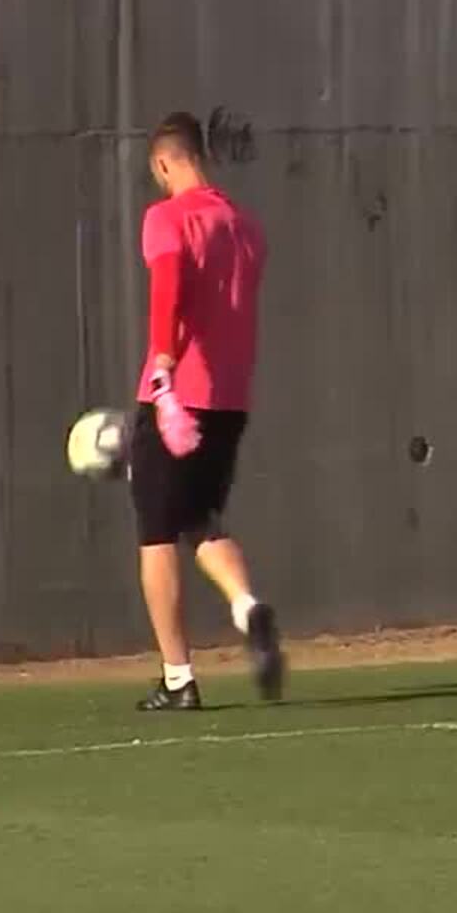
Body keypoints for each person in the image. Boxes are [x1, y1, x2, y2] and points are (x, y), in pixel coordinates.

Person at [129, 112, 283, 710]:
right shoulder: (245, 226)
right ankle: (248, 606)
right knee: (201, 520)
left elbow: (168, 287)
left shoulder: (168, 218)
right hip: (230, 401)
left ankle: (178, 678)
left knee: (156, 535)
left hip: (178, 395)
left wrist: (164, 368)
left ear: (165, 163)